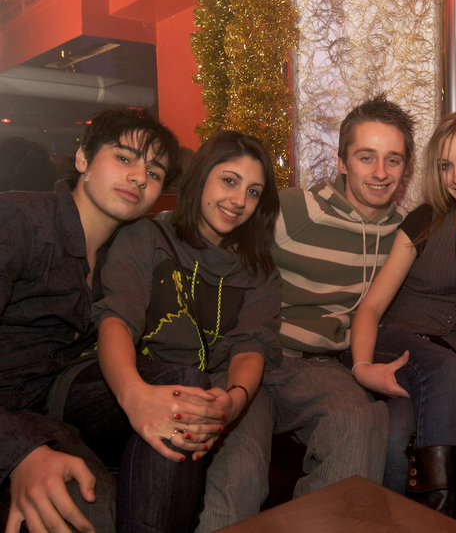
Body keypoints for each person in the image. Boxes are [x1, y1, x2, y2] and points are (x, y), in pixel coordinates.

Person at [87, 130, 281, 531]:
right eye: (229, 181)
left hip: (216, 386)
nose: (239, 200)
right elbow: (116, 321)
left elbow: (250, 347)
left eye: (253, 192)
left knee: (244, 451)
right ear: (201, 177)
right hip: (127, 383)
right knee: (184, 396)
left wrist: (234, 401)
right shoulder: (145, 236)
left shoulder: (260, 270)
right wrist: (135, 395)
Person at [0, 108, 181, 533]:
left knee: (183, 397)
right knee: (87, 513)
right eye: (124, 158)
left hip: (51, 407)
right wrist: (20, 451)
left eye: (154, 172)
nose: (139, 177)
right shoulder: (18, 220)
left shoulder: (126, 251)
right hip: (9, 419)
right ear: (83, 159)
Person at [349, 110, 456, 512]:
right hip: (396, 344)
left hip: (448, 373)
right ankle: (446, 519)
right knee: (446, 369)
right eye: (446, 166)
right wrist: (362, 366)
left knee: (396, 435)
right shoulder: (425, 220)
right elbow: (372, 307)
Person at [264, 94, 415, 498]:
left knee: (369, 422)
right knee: (356, 419)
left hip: (336, 368)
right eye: (366, 157)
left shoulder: (406, 233)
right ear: (343, 162)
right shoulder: (294, 211)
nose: (380, 172)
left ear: (406, 169)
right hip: (275, 358)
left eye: (393, 160)